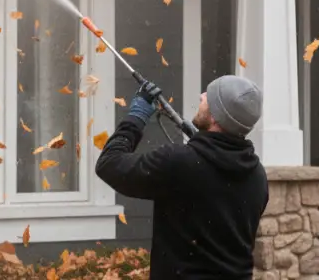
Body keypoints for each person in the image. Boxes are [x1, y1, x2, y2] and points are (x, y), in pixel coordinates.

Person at [95, 75, 268, 280]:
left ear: (215, 117)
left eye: (209, 98)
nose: (202, 96)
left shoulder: (179, 163)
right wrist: (204, 141)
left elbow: (109, 164)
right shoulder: (257, 175)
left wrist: (137, 114)